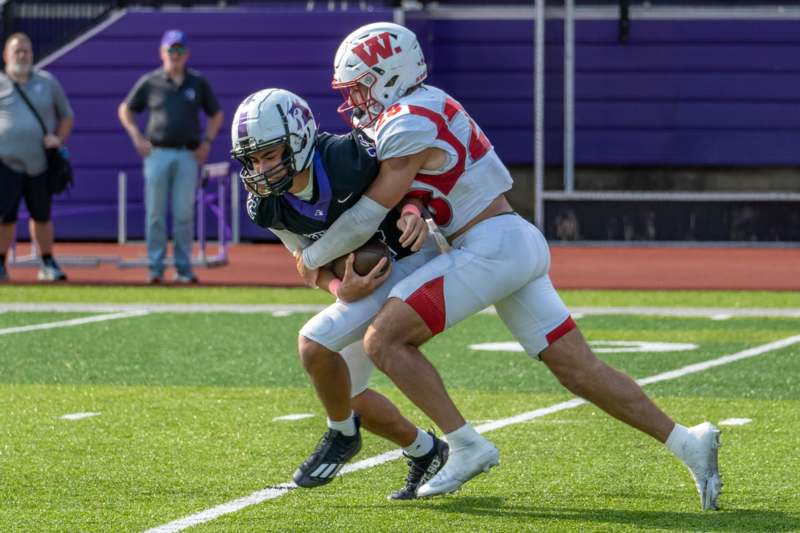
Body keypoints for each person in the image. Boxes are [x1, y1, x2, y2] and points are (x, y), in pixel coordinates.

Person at [296, 22, 722, 509]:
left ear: (390, 74)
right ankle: (689, 442)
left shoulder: (408, 118)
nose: (355, 98)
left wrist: (310, 256)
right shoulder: (423, 104)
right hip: (507, 239)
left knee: (385, 339)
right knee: (577, 369)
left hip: (490, 245)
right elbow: (442, 179)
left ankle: (465, 445)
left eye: (362, 84)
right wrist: (419, 207)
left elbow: (373, 209)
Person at [231, 88, 447, 498]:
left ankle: (341, 435)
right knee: (349, 394)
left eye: (270, 154)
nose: (261, 168)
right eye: (253, 159)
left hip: (411, 259)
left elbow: (413, 175)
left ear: (298, 138)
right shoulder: (265, 205)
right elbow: (305, 261)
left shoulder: (349, 156)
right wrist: (339, 287)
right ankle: (427, 450)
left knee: (314, 345)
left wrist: (416, 208)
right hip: (361, 283)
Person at [118, 29, 224, 284]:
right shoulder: (151, 81)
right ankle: (155, 268)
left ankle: (183, 269)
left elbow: (216, 114)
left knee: (183, 214)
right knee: (155, 214)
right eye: (170, 50)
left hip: (187, 154)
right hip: (157, 154)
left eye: (179, 50)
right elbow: (125, 109)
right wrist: (136, 136)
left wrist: (207, 141)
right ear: (162, 53)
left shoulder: (197, 82)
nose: (174, 55)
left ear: (186, 54)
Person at [0, 32, 73, 282]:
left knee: (41, 215)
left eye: (26, 50)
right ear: (6, 55)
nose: (22, 55)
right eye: (16, 51)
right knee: (4, 216)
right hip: (5, 163)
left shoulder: (47, 82)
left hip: (39, 163)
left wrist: (58, 139)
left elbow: (66, 115)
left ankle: (47, 260)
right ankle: (0, 262)